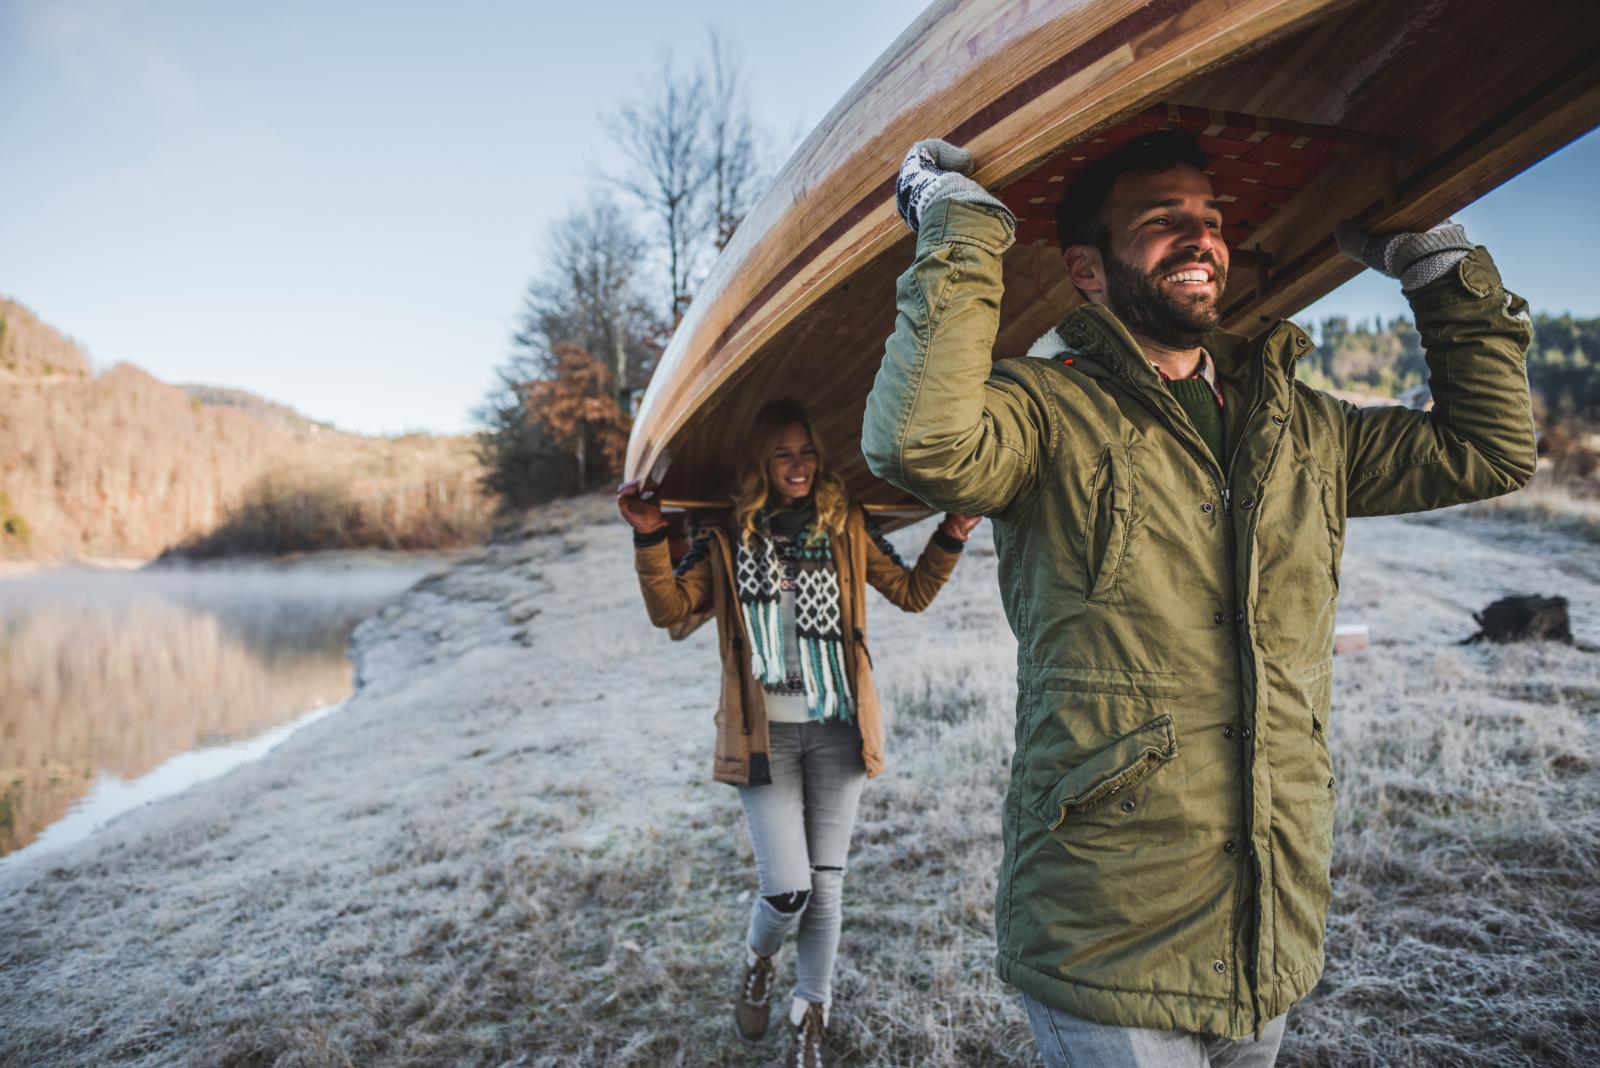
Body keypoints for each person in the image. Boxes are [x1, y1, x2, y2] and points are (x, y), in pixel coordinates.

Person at [863, 131, 1535, 1067]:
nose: (1201, 239)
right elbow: (919, 446)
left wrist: (1435, 264)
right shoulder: (1044, 413)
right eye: (1162, 221)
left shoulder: (1302, 427)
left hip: (1268, 920)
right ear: (1086, 270)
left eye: (1212, 222)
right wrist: (963, 231)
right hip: (1109, 932)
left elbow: (1489, 448)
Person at [619, 398, 978, 1067]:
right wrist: (648, 536)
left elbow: (912, 591)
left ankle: (809, 1014)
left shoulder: (845, 525)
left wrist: (953, 532)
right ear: (761, 462)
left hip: (837, 730)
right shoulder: (726, 536)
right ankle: (759, 960)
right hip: (766, 740)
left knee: (828, 884)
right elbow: (672, 611)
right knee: (788, 889)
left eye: (806, 451)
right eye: (783, 453)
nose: (798, 465)